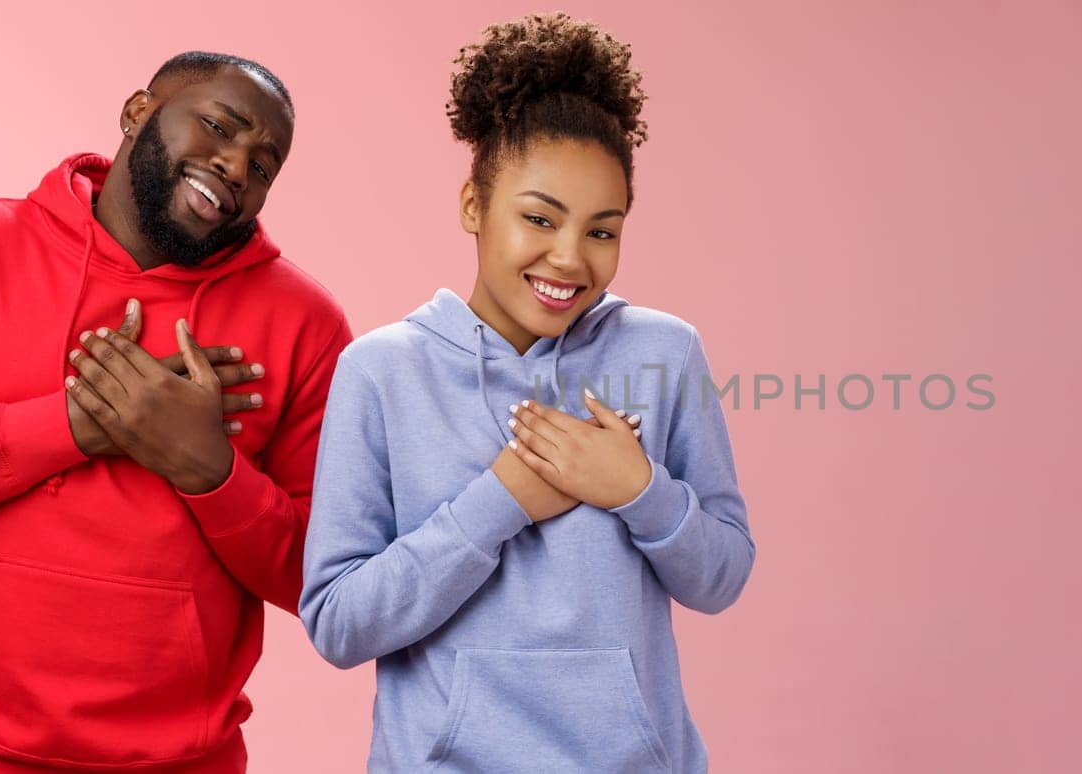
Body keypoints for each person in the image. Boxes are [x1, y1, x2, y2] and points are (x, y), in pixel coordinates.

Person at [299, 13, 756, 772]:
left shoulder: (664, 352)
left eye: (602, 231)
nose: (569, 257)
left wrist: (638, 489)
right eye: (539, 218)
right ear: (474, 207)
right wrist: (500, 501)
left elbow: (723, 577)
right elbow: (339, 623)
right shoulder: (381, 371)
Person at [0, 52, 350, 772]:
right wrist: (75, 425)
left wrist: (208, 468)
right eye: (218, 127)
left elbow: (321, 578)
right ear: (138, 111)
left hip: (178, 761)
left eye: (263, 165)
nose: (236, 166)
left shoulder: (306, 324)